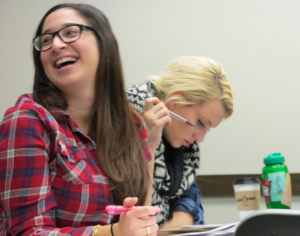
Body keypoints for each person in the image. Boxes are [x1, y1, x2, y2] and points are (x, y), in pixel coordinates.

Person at [0, 3, 159, 236]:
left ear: (103, 43)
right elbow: (27, 232)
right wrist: (111, 233)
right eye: (45, 40)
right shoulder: (27, 121)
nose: (56, 44)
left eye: (71, 32)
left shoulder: (132, 125)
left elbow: (141, 219)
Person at [126, 56, 234, 228]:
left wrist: (180, 220)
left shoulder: (184, 147)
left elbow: (190, 196)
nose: (200, 138)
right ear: (174, 102)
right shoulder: (126, 121)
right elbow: (136, 212)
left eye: (208, 129)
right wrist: (148, 144)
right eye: (201, 123)